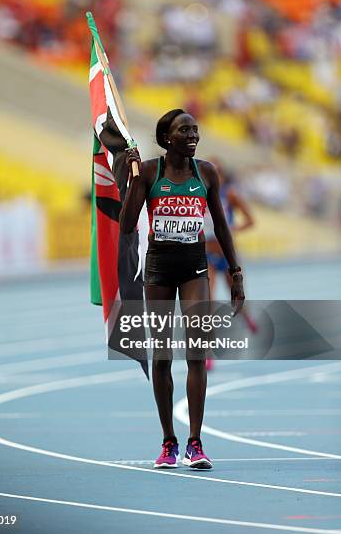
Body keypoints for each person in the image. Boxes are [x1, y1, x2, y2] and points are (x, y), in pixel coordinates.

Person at [119, 109, 245, 470]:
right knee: (162, 357)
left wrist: (236, 273)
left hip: (194, 267)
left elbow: (221, 225)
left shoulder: (206, 173)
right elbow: (128, 225)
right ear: (166, 138)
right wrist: (132, 181)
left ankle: (195, 442)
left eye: (195, 129)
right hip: (159, 268)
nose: (192, 135)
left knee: (196, 354)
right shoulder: (148, 172)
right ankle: (168, 442)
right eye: (184, 130)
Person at [204, 160, 257, 371]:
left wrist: (231, 228)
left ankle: (246, 317)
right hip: (206, 253)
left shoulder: (230, 194)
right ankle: (208, 353)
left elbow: (250, 220)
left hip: (227, 254)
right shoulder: (198, 193)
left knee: (235, 296)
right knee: (206, 302)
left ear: (222, 175)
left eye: (215, 172)